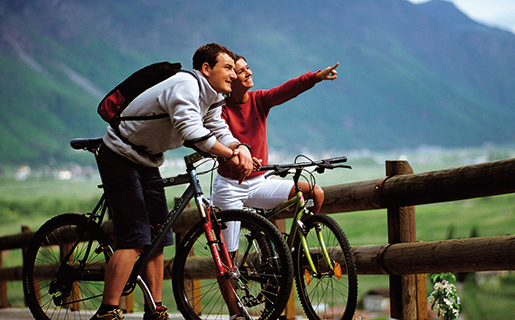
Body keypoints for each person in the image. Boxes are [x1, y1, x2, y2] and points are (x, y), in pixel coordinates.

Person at [92, 43, 255, 320]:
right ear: (206, 68)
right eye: (227, 68)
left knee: (157, 237)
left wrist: (239, 147)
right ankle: (108, 311)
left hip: (148, 158)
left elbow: (216, 128)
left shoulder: (213, 96)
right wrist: (230, 155)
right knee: (134, 238)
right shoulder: (185, 85)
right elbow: (191, 131)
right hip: (119, 154)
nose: (233, 74)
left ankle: (155, 310)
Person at [212, 55, 339, 258]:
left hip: (260, 183)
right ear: (231, 78)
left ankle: (295, 253)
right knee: (229, 259)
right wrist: (239, 159)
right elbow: (221, 142)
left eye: (248, 68)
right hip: (230, 187)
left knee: (315, 193)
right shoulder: (219, 111)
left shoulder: (259, 99)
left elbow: (286, 90)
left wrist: (315, 77)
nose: (249, 72)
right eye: (242, 71)